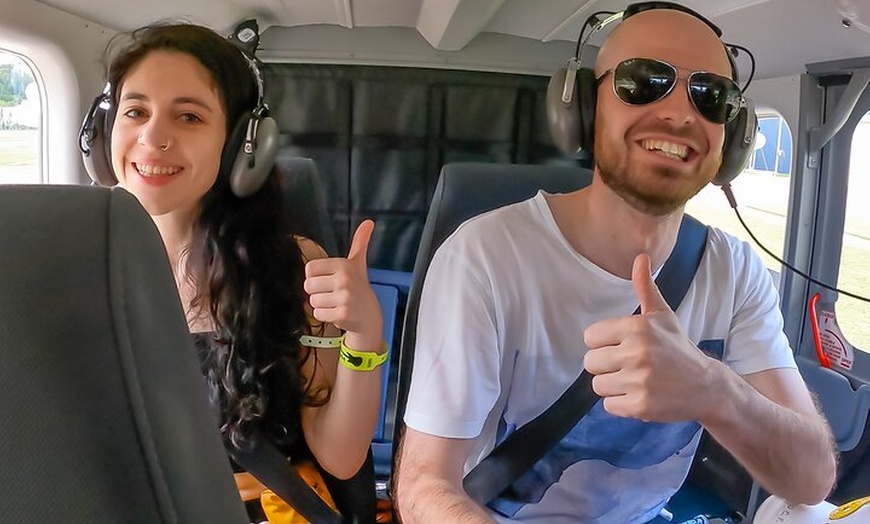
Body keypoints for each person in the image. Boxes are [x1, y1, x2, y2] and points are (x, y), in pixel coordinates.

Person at [394, 5, 838, 524]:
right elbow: (424, 486)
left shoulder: (735, 272)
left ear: (732, 134)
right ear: (583, 107)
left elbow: (811, 479)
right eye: (643, 82)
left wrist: (712, 389)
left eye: (710, 95)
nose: (679, 115)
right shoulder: (485, 257)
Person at [101, 23, 385, 521]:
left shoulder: (295, 266)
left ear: (241, 145)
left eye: (188, 116)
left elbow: (340, 457)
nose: (152, 137)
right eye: (135, 111)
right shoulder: (80, 265)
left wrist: (364, 332)